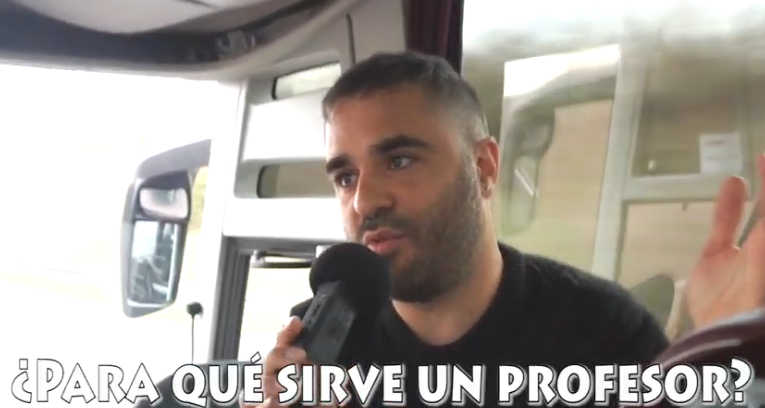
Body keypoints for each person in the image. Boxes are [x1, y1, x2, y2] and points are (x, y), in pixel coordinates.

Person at [250, 52, 765, 407]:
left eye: (400, 161)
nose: (365, 201)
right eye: (346, 177)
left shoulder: (603, 333)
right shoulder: (326, 343)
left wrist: (721, 352)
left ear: (483, 168)